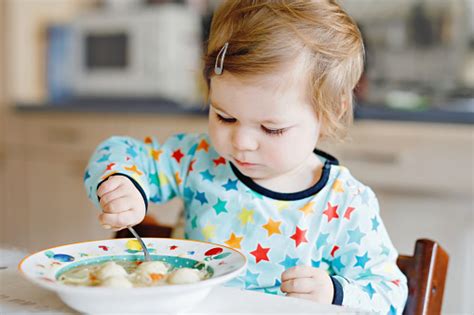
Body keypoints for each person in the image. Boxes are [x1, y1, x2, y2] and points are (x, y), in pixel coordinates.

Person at [84, 0, 408, 313]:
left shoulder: (346, 203)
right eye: (225, 117)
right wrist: (122, 181)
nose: (241, 142)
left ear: (328, 114)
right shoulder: (198, 159)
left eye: (271, 128)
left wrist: (335, 293)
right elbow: (121, 152)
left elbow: (389, 294)